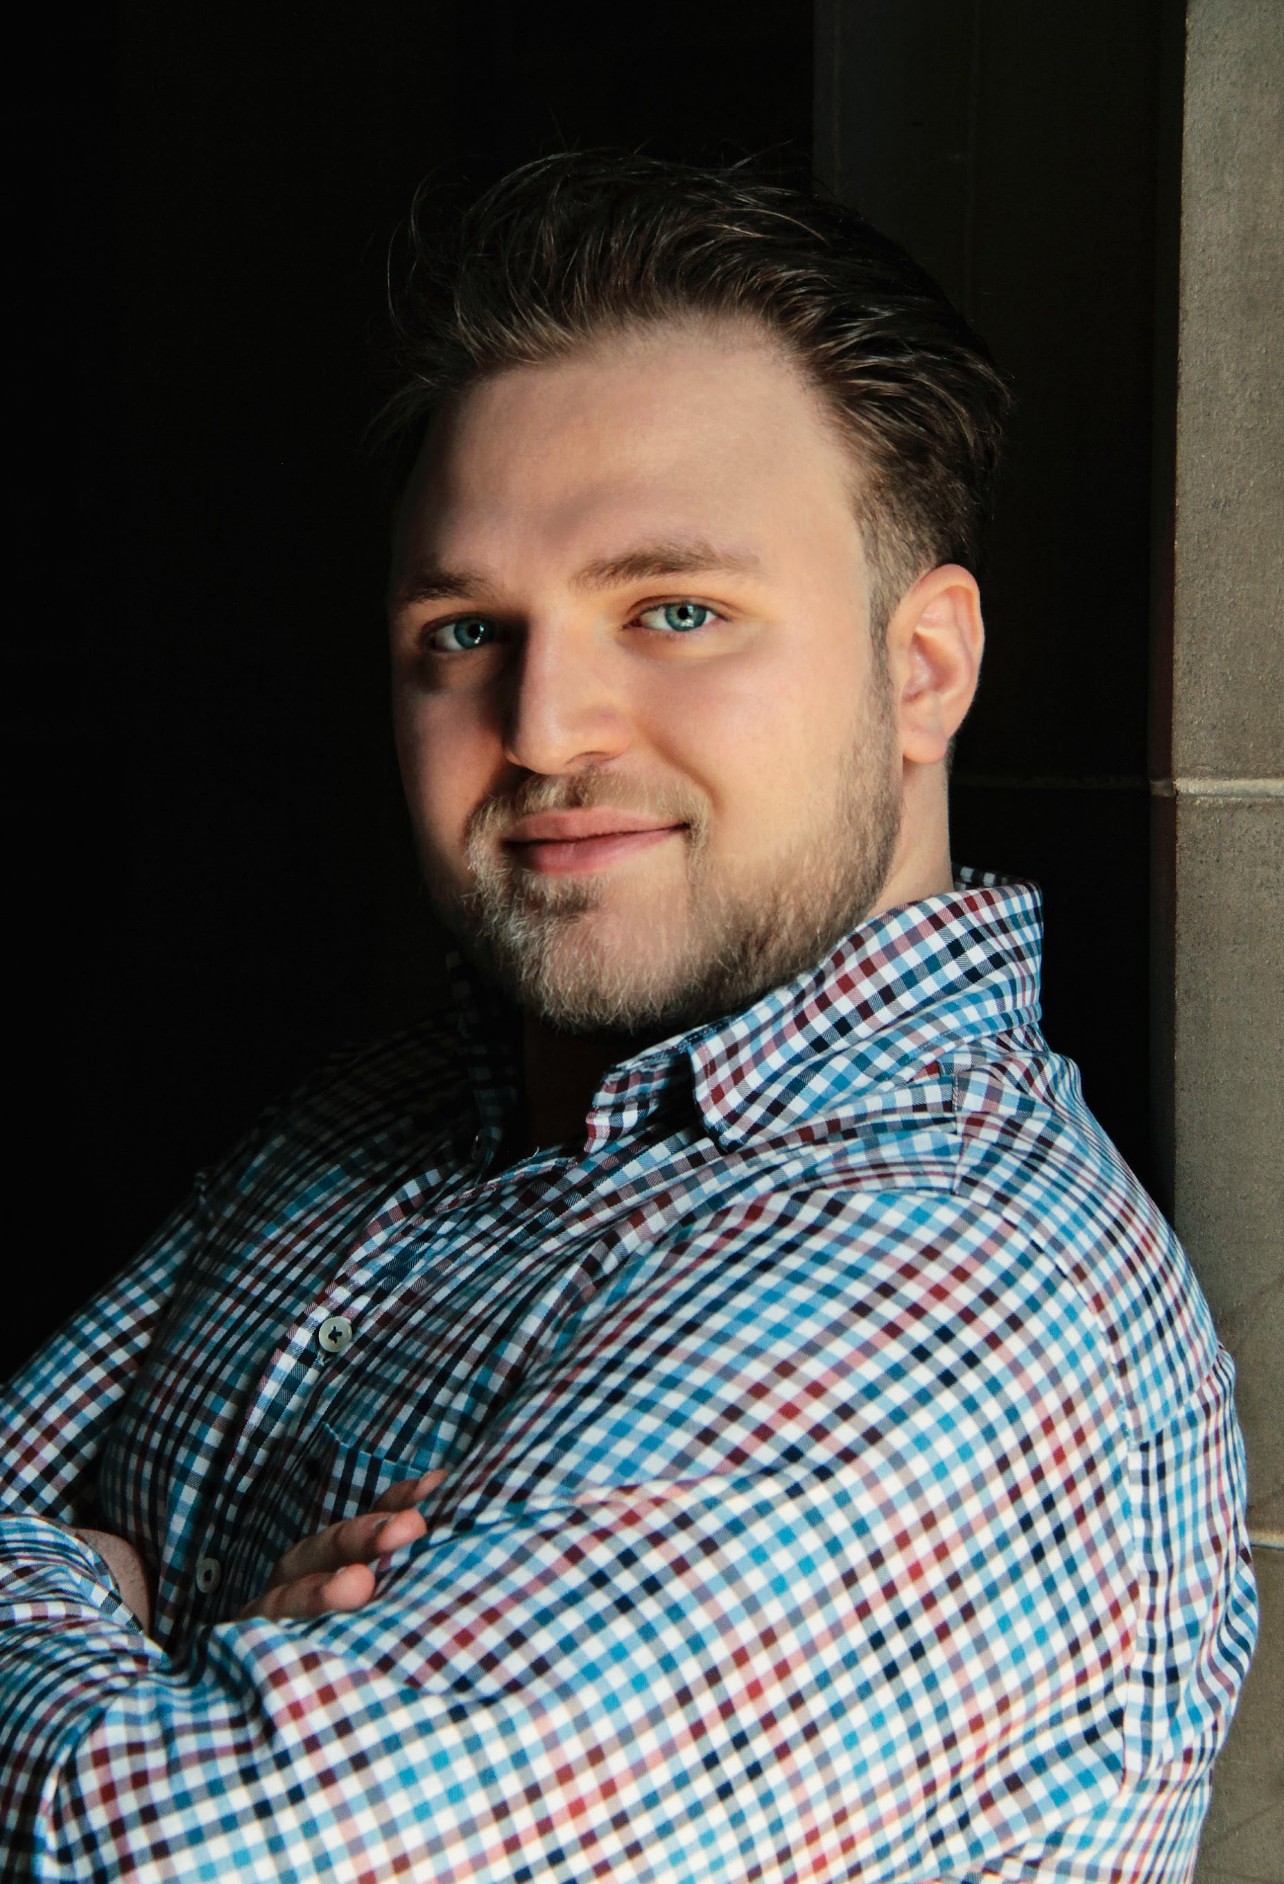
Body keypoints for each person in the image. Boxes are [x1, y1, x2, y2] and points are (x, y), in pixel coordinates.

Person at [0, 152, 1256, 1882]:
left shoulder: (929, 1293)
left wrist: (108, 1610)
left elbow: (146, 1859)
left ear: (925, 665)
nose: (541, 725)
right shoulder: (376, 1118)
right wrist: (126, 1661)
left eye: (676, 610)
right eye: (462, 630)